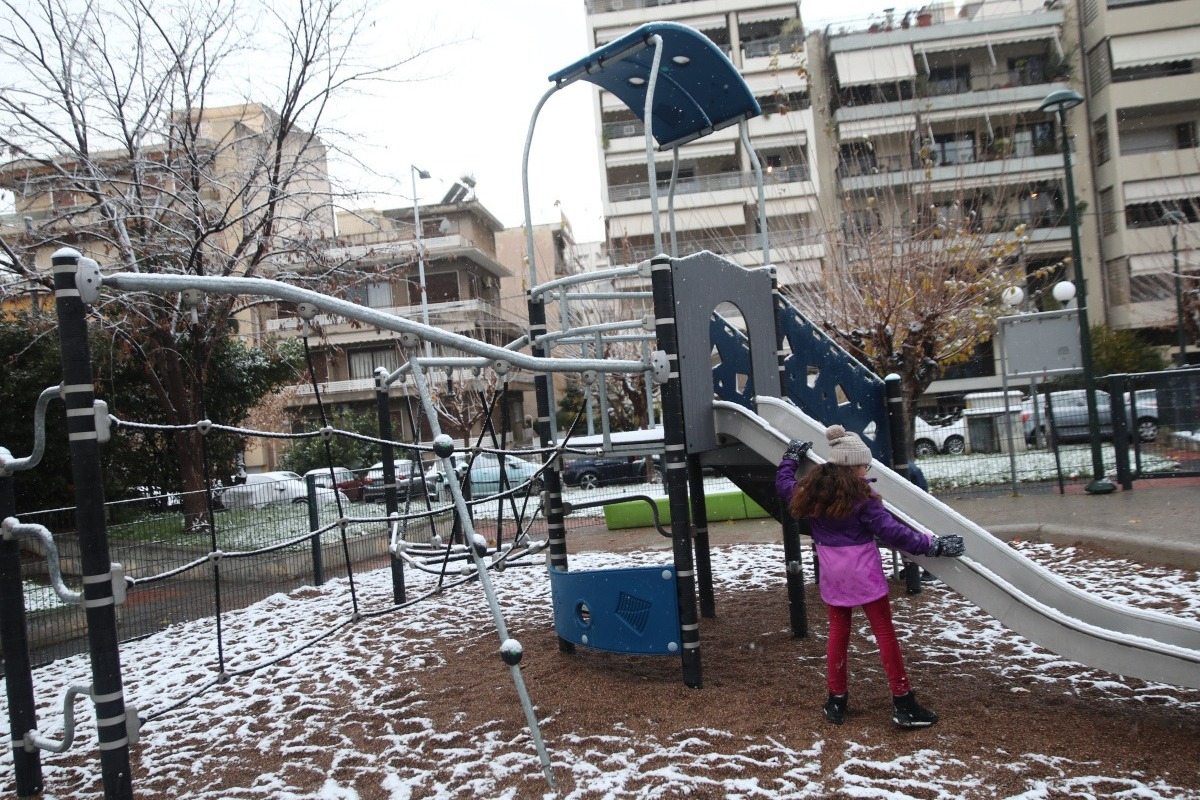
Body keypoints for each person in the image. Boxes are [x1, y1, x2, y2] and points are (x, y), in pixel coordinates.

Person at [775, 426, 965, 728]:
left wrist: (791, 457)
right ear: (853, 466)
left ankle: (836, 700)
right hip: (864, 576)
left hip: (833, 575)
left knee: (838, 634)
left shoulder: (812, 494)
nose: (868, 468)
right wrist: (934, 545)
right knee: (885, 634)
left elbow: (784, 484)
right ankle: (903, 701)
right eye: (865, 464)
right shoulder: (863, 499)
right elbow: (896, 534)